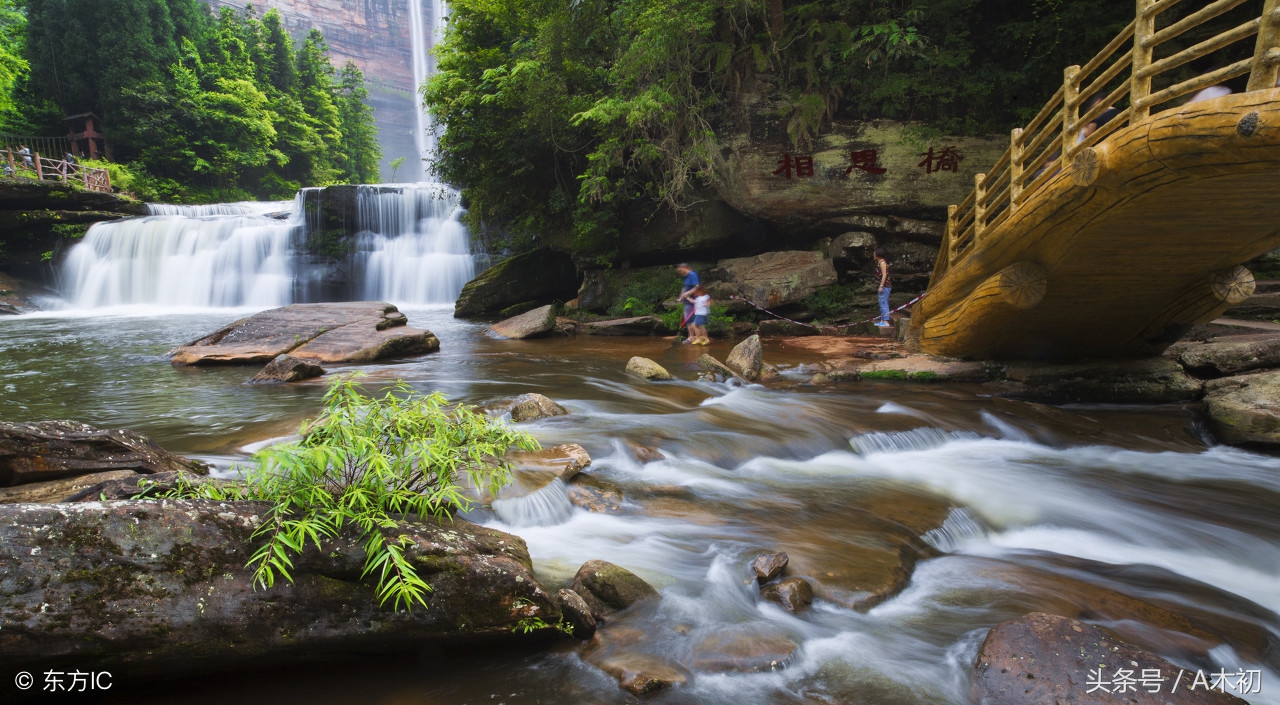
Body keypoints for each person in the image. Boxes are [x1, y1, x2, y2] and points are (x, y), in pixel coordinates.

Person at [675, 263, 700, 341]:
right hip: (687, 301)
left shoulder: (692, 274)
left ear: (684, 268)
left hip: (692, 301)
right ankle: (691, 337)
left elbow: (697, 286)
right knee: (688, 319)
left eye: (680, 270)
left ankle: (693, 337)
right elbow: (684, 287)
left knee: (690, 319)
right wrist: (681, 297)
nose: (679, 272)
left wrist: (688, 293)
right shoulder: (686, 277)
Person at [874, 248, 892, 328]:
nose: (873, 255)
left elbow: (884, 275)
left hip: (885, 286)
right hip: (883, 286)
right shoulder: (880, 263)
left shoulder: (882, 263)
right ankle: (882, 320)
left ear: (878, 255)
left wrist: (881, 285)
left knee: (884, 303)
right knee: (881, 303)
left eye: (874, 253)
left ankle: (886, 321)